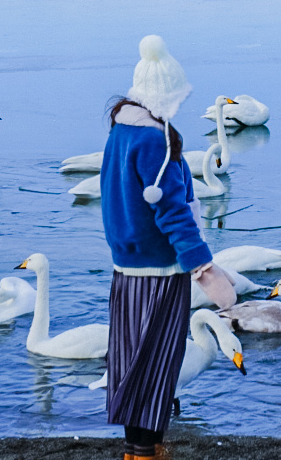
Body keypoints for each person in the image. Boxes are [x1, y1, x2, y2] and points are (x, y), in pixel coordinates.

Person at [100, 34, 236, 460]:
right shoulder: (155, 142)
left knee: (130, 361)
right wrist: (204, 268)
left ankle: (138, 448)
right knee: (157, 364)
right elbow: (172, 211)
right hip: (160, 274)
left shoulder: (120, 132)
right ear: (167, 98)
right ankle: (144, 453)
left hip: (126, 270)